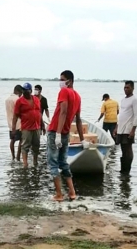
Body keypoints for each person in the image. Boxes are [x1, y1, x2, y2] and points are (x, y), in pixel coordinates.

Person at [47, 70, 90, 202]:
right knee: (63, 163)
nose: (60, 82)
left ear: (69, 81)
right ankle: (72, 192)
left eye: (62, 79)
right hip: (65, 133)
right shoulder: (77, 96)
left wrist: (58, 133)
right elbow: (78, 119)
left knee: (53, 163)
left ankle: (59, 195)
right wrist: (82, 139)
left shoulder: (64, 92)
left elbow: (63, 112)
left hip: (56, 131)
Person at [12, 82, 45, 167]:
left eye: (27, 90)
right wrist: (13, 129)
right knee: (25, 146)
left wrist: (43, 125)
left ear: (30, 91)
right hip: (26, 127)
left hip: (37, 127)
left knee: (36, 145)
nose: (25, 92)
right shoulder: (20, 101)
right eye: (24, 90)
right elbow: (15, 116)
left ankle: (35, 162)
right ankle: (25, 163)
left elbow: (39, 113)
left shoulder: (36, 100)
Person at [113, 81, 137, 175]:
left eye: (128, 87)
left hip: (128, 129)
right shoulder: (123, 100)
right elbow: (121, 115)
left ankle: (127, 170)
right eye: (125, 87)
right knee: (123, 149)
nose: (126, 89)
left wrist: (133, 130)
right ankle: (122, 169)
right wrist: (116, 127)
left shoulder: (134, 100)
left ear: (132, 88)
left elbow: (136, 115)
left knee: (128, 149)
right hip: (121, 128)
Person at [5, 85, 23, 161]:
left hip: (10, 123)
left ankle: (13, 156)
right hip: (18, 123)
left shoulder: (7, 99)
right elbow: (20, 112)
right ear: (19, 91)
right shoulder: (17, 99)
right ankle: (18, 157)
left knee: (12, 140)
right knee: (21, 140)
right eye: (21, 93)